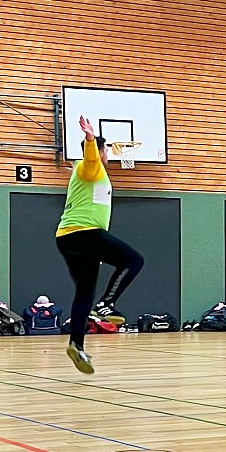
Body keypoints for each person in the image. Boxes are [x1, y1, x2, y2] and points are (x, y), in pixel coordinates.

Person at [55, 116, 147, 373]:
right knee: (134, 260)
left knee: (84, 292)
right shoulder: (90, 167)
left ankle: (77, 345)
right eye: (105, 150)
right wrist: (90, 139)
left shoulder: (82, 172)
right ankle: (107, 303)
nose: (107, 154)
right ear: (101, 151)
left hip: (67, 237)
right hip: (84, 234)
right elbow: (91, 159)